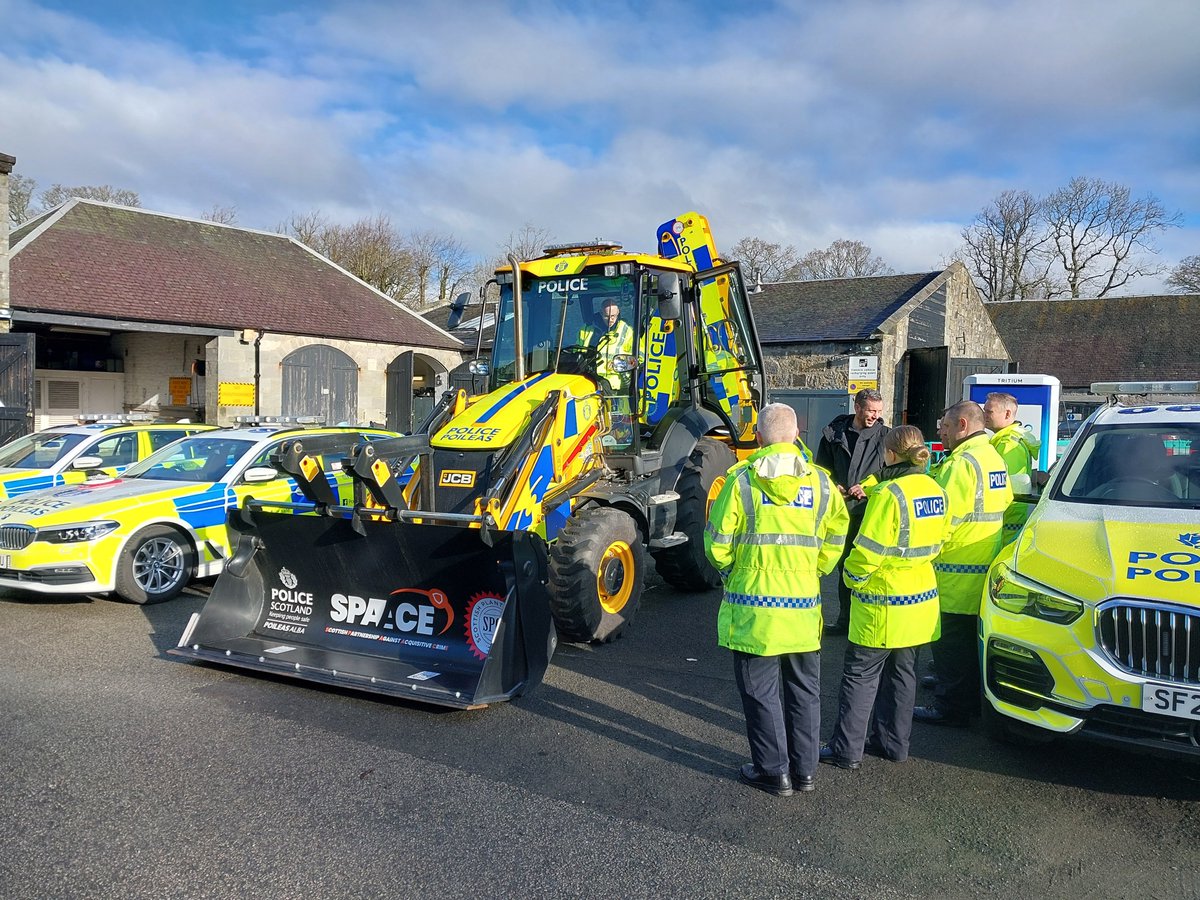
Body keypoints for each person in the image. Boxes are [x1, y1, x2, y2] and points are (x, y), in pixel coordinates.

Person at [705, 403, 850, 796]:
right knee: (805, 691)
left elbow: (717, 543)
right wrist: (817, 567)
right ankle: (805, 772)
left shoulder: (742, 481)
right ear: (797, 431)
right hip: (803, 609)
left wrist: (731, 571)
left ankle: (774, 772)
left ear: (760, 435)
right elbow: (837, 534)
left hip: (754, 611)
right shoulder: (821, 483)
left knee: (761, 693)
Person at [820, 426, 952, 768]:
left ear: (890, 454)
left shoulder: (889, 496)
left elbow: (866, 552)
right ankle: (894, 745)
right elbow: (946, 536)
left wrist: (850, 578)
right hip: (920, 599)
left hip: (883, 602)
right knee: (903, 675)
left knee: (860, 676)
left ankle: (846, 750)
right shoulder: (936, 489)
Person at [913, 401, 1013, 726]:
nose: (940, 431)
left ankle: (951, 706)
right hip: (983, 562)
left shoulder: (961, 463)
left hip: (956, 566)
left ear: (962, 426)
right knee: (969, 640)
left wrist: (922, 551)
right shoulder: (992, 456)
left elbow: (943, 517)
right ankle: (961, 693)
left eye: (945, 426)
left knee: (950, 641)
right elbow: (1007, 502)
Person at [815, 388, 890, 634]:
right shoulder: (833, 433)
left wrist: (868, 486)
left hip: (870, 510)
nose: (875, 416)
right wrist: (832, 483)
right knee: (844, 568)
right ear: (857, 407)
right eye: (871, 411)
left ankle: (864, 621)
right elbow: (821, 468)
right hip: (841, 511)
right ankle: (846, 621)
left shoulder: (885, 436)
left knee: (867, 567)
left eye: (879, 411)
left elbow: (890, 471)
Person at [983, 392, 1038, 546]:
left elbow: (1004, 487)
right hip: (1011, 520)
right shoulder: (1008, 440)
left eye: (989, 411)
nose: (984, 415)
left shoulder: (1008, 445)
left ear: (1007, 414)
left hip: (1007, 522)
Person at [578, 298, 634, 391]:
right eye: (606, 316)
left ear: (618, 313)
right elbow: (577, 353)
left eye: (613, 316)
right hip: (588, 380)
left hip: (615, 386)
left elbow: (640, 358)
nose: (610, 320)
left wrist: (621, 363)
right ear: (601, 313)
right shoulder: (586, 329)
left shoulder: (627, 331)